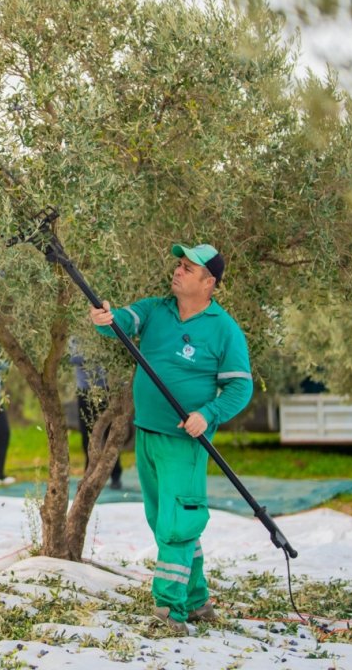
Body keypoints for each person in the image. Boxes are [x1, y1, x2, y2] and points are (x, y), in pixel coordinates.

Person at [89, 243, 253, 634]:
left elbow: (240, 389)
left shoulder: (223, 329)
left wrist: (207, 415)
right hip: (147, 435)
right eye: (178, 264)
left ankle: (170, 612)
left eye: (188, 268)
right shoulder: (156, 310)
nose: (177, 271)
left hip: (185, 442)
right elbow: (122, 322)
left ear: (209, 282)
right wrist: (103, 318)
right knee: (162, 519)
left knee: (178, 522)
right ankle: (197, 601)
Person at [68, 340, 123, 490]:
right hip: (85, 391)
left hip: (105, 389)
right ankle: (89, 475)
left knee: (110, 434)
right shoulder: (78, 334)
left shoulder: (103, 332)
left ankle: (115, 474)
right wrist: (93, 353)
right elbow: (72, 357)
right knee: (87, 433)